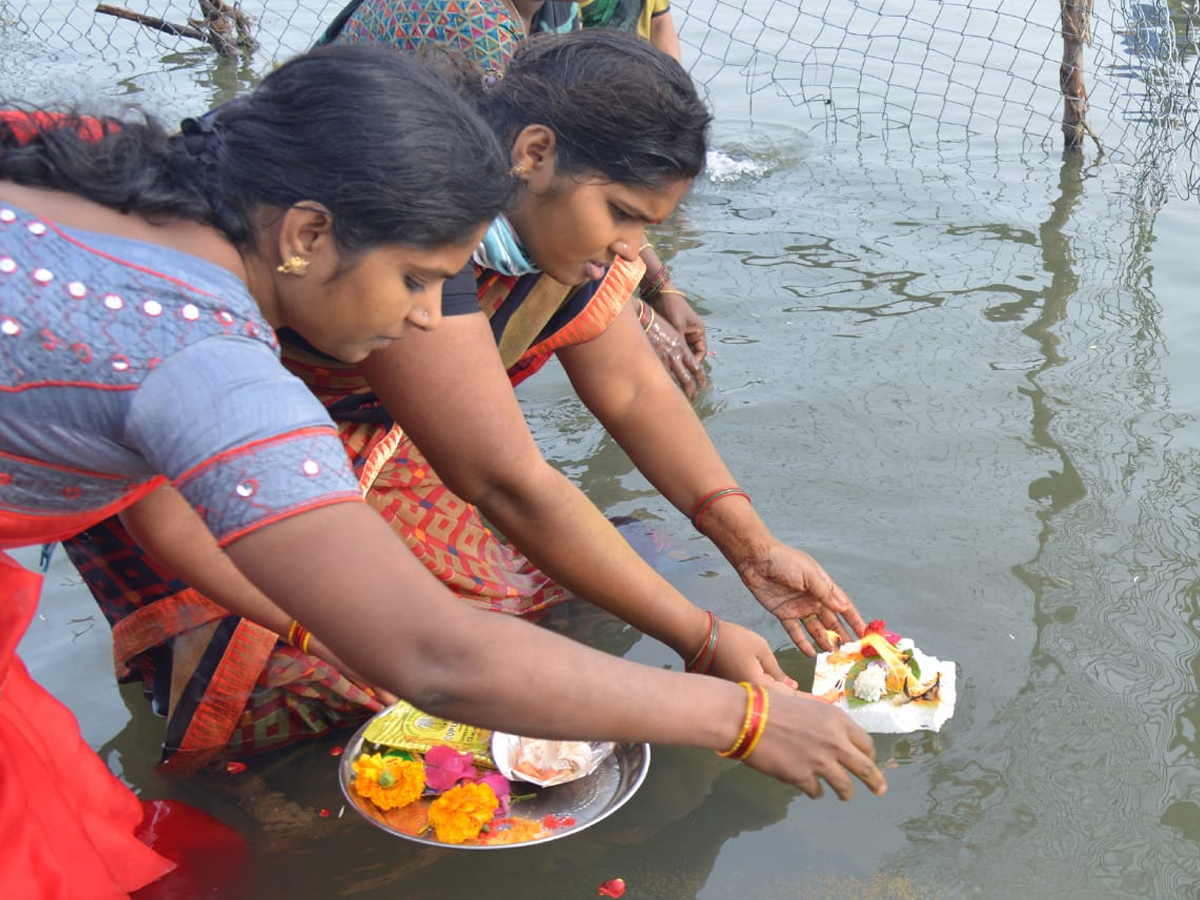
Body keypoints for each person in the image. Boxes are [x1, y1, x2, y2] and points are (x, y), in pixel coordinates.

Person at [1, 38, 885, 900]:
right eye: (420, 280)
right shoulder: (207, 361)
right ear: (308, 231)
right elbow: (437, 651)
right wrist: (744, 718)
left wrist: (320, 629)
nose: (431, 319)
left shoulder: (76, 166)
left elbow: (161, 508)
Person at [321, 0, 708, 397]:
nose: (628, 247)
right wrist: (637, 313)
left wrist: (658, 284)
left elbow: (590, 165)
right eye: (622, 214)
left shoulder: (558, 13)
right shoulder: (473, 24)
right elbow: (554, 179)